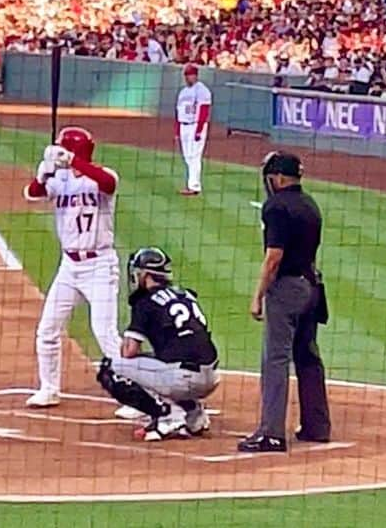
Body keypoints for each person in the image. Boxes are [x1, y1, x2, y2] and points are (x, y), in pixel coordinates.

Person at [238, 151, 331, 452]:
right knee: (307, 357)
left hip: (288, 289)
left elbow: (273, 258)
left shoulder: (276, 206)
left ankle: (271, 433)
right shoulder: (310, 205)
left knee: (275, 359)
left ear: (277, 177)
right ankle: (317, 426)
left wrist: (257, 296)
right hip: (312, 288)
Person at [24, 126, 122, 407]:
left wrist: (73, 162)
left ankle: (136, 396)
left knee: (105, 334)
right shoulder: (60, 179)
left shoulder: (102, 177)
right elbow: (33, 193)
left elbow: (108, 183)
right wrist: (42, 174)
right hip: (69, 266)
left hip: (100, 266)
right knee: (48, 329)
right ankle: (49, 388)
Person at [97, 246, 220, 441]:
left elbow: (128, 352)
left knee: (111, 369)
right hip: (212, 377)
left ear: (145, 275)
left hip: (184, 379)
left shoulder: (145, 302)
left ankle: (167, 416)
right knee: (161, 361)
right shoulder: (185, 294)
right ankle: (193, 413)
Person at [176, 63, 212, 195]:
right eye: (186, 75)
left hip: (195, 125)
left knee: (194, 156)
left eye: (190, 75)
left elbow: (204, 110)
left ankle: (194, 186)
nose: (187, 78)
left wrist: (199, 129)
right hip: (184, 126)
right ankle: (191, 184)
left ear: (195, 76)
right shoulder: (183, 91)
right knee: (187, 157)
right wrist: (177, 130)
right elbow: (178, 111)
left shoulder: (202, 90)